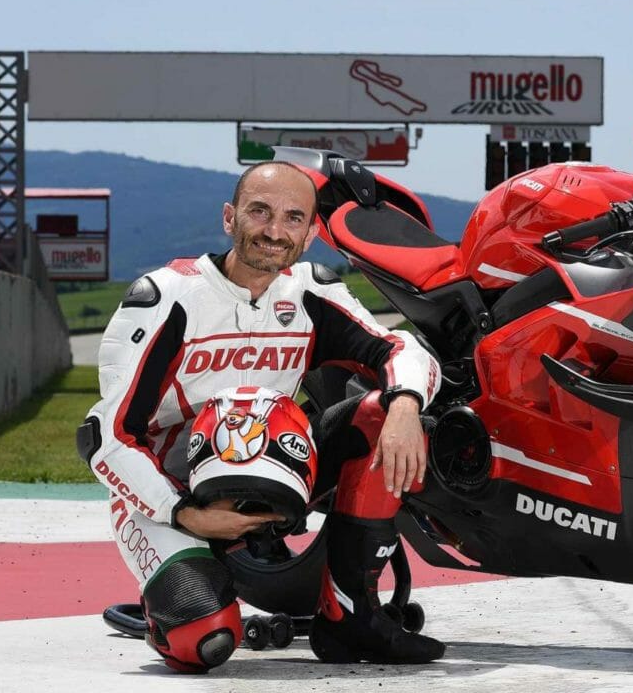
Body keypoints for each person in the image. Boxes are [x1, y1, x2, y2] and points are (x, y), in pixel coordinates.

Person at [78, 162, 445, 672]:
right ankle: (182, 598)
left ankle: (351, 618)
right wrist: (184, 512)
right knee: (205, 641)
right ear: (229, 219)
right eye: (260, 212)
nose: (275, 231)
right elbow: (105, 438)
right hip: (170, 495)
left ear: (313, 234)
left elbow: (400, 347)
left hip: (273, 475)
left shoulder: (309, 290)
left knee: (389, 413)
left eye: (294, 218)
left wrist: (405, 403)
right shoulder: (168, 297)